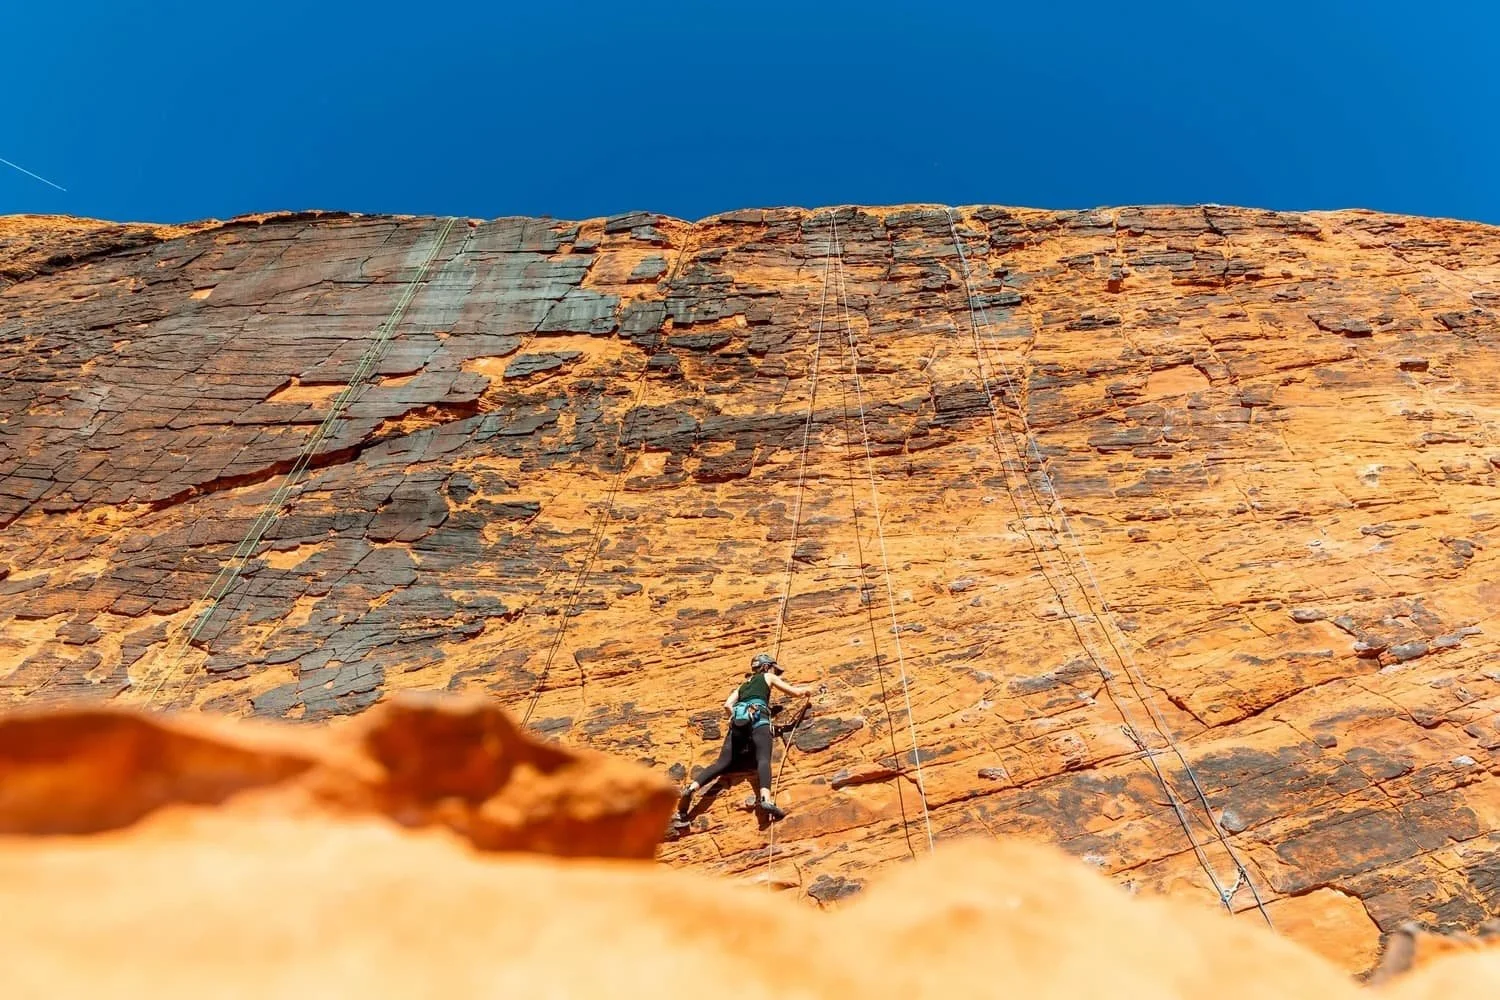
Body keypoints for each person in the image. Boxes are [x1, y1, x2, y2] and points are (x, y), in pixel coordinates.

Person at [675, 652, 819, 824]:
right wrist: (808, 691)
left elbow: (727, 705)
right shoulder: (768, 677)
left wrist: (738, 718)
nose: (775, 672)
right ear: (766, 667)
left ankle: (691, 788)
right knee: (763, 760)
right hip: (759, 720)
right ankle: (765, 799)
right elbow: (795, 692)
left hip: (738, 722)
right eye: (774, 669)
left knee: (721, 764)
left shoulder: (742, 686)